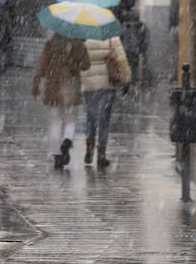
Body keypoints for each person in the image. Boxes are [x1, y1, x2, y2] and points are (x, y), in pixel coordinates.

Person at [32, 33, 90, 169]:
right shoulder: (79, 44)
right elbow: (86, 65)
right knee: (70, 120)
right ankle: (67, 140)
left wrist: (37, 83)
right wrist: (76, 60)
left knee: (55, 122)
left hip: (54, 86)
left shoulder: (51, 44)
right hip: (71, 86)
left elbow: (42, 65)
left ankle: (57, 155)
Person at [81, 34, 131, 168]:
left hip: (89, 81)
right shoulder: (111, 36)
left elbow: (78, 57)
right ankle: (101, 155)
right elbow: (121, 58)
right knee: (104, 118)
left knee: (91, 116)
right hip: (106, 83)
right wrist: (126, 78)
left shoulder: (83, 35)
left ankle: (89, 149)